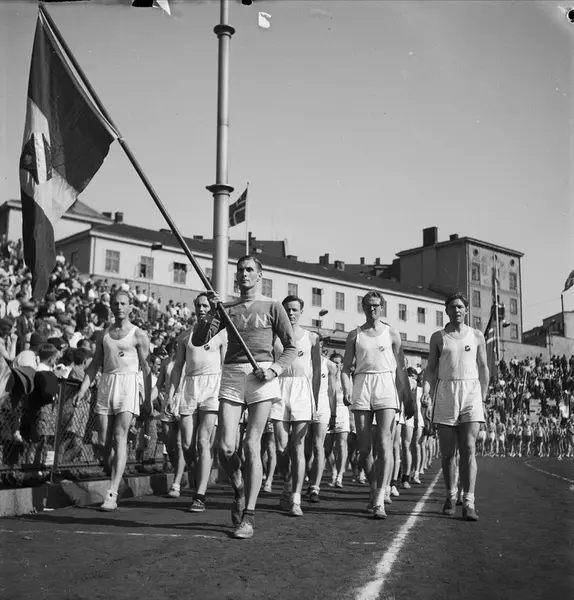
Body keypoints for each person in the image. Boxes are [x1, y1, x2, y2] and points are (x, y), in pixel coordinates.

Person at [192, 256, 296, 539]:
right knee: (225, 447)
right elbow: (199, 340)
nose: (244, 274)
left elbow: (290, 347)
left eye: (250, 269)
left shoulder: (273, 307)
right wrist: (211, 312)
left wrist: (273, 371)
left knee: (251, 445)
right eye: (240, 270)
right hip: (233, 374)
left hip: (262, 376)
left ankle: (248, 516)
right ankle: (238, 485)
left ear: (260, 275)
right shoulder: (226, 308)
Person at [72, 291, 152, 512]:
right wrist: (82, 389)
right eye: (116, 304)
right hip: (107, 383)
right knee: (102, 441)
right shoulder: (104, 334)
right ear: (111, 306)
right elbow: (95, 364)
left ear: (130, 307)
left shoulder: (138, 334)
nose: (119, 307)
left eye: (123, 303)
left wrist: (147, 398)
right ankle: (114, 472)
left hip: (128, 384)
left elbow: (146, 368)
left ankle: (112, 492)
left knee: (120, 436)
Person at [341, 291, 413, 520]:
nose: (372, 309)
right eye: (368, 305)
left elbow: (401, 368)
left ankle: (381, 497)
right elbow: (345, 368)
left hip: (385, 385)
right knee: (364, 448)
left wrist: (406, 398)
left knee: (384, 442)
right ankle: (374, 489)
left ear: (382, 307)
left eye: (376, 305)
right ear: (362, 307)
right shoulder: (354, 334)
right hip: (362, 385)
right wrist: (346, 388)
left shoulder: (392, 333)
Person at [422, 292, 488, 522]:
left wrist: (483, 398)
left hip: (471, 392)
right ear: (447, 311)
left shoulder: (477, 335)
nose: (457, 310)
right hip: (446, 392)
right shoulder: (438, 337)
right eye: (453, 307)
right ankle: (450, 496)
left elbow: (483, 368)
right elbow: (430, 369)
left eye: (460, 306)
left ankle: (469, 502)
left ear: (466, 310)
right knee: (448, 452)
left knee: (469, 448)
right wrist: (426, 392)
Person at [166, 293, 227, 510]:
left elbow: (226, 366)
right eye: (199, 306)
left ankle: (200, 495)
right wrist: (172, 393)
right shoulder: (185, 336)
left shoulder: (221, 335)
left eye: (206, 306)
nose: (202, 309)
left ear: (212, 308)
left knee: (203, 442)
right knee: (186, 444)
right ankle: (197, 472)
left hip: (212, 386)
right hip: (190, 387)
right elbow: (178, 366)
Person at [271, 295, 321, 517]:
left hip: (302, 389)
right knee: (281, 447)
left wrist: (315, 400)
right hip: (279, 388)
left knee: (298, 446)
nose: (291, 313)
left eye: (294, 310)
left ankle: (296, 498)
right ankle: (287, 483)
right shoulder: (274, 336)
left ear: (301, 312)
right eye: (287, 310)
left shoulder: (311, 338)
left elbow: (317, 371)